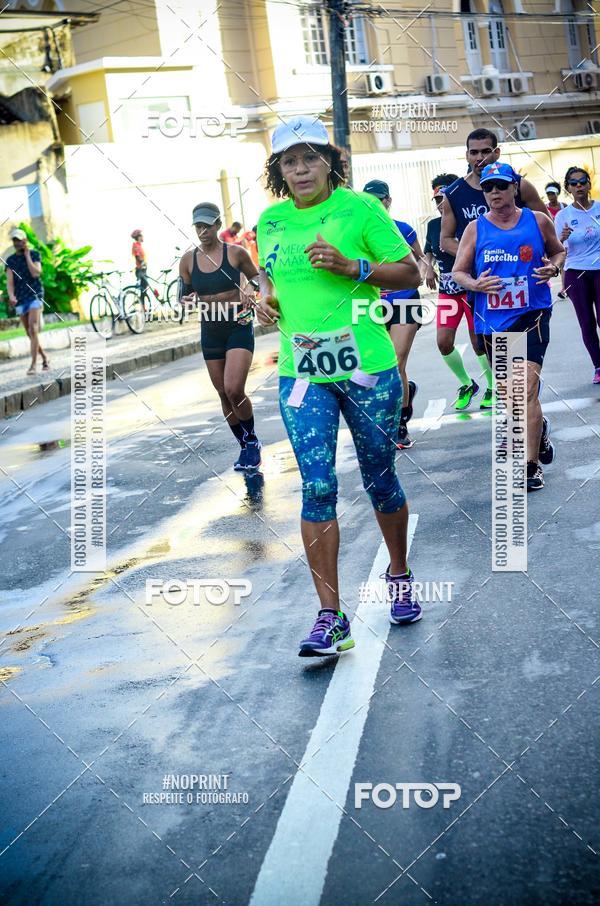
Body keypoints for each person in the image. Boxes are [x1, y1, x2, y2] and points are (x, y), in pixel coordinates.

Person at [256, 115, 422, 658]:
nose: (301, 168)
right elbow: (275, 281)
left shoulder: (360, 210)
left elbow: (410, 273)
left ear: (330, 161)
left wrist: (354, 266)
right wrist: (268, 299)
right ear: (279, 169)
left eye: (310, 157)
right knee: (318, 486)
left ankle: (399, 574)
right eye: (290, 160)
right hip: (302, 373)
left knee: (379, 477)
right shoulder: (271, 221)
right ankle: (331, 616)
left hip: (367, 369)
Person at [452, 163, 565, 492]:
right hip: (492, 320)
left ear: (514, 187)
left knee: (525, 389)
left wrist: (553, 269)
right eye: (488, 188)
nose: (495, 193)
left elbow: (558, 251)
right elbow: (459, 272)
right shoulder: (475, 229)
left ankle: (529, 467)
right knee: (510, 396)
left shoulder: (537, 220)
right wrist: (475, 284)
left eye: (501, 186)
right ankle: (539, 427)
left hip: (533, 313)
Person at [179, 202, 263, 470]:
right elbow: (183, 294)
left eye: (207, 226)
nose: (202, 231)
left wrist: (251, 288)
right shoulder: (188, 260)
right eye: (198, 227)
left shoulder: (236, 253)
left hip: (238, 322)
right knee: (223, 394)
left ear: (217, 225)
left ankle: (252, 440)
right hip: (210, 328)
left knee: (234, 388)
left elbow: (260, 279)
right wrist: (187, 300)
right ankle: (245, 445)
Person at [362, 179, 424, 448]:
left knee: (396, 362)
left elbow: (420, 258)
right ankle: (405, 394)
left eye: (379, 199)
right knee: (375, 367)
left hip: (405, 301)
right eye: (369, 200)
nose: (374, 204)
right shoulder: (358, 234)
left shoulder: (403, 229)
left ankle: (399, 423)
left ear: (388, 201)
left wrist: (424, 270)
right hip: (373, 305)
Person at [424, 174, 494, 410]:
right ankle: (467, 384)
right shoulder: (433, 226)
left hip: (471, 289)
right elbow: (429, 252)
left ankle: (493, 387)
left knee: (478, 343)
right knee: (443, 342)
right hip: (447, 291)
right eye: (436, 200)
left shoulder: (469, 221)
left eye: (443, 198)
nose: (440, 204)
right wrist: (428, 269)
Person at [554, 166, 600, 383]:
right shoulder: (563, 215)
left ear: (589, 184)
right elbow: (554, 250)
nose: (579, 186)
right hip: (576, 273)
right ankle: (598, 366)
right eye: (574, 183)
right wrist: (561, 239)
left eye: (583, 181)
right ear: (568, 188)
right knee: (586, 322)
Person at [5, 227, 49, 376]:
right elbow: (10, 282)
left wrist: (28, 255)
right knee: (30, 333)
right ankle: (44, 358)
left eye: (19, 240)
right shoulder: (10, 261)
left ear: (24, 240)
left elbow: (36, 273)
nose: (16, 243)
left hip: (35, 295)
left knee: (33, 328)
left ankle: (33, 365)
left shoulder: (35, 255)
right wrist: (11, 296)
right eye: (14, 240)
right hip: (20, 298)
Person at [131, 229, 149, 293]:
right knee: (143, 288)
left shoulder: (139, 245)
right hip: (140, 270)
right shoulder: (135, 245)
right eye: (142, 236)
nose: (143, 237)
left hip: (143, 269)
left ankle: (142, 302)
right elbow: (137, 256)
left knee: (145, 287)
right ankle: (142, 302)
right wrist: (142, 262)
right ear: (139, 237)